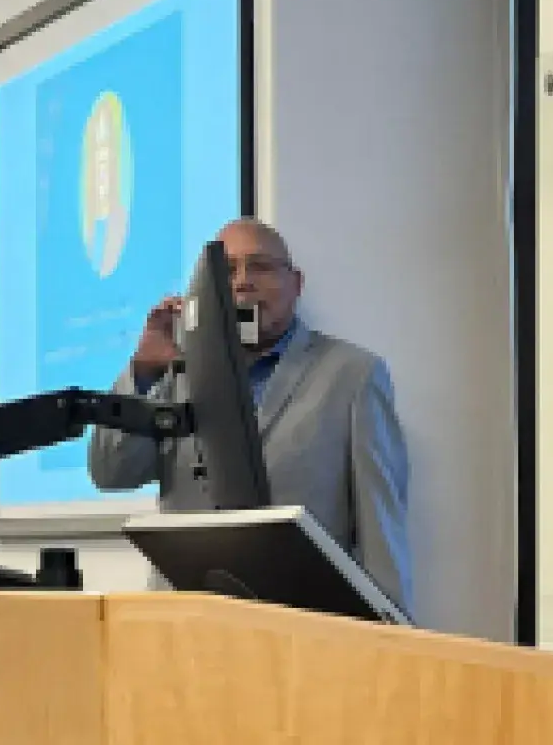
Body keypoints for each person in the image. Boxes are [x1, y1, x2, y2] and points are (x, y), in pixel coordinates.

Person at [89, 217, 414, 612]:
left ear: (296, 283)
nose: (243, 282)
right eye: (227, 271)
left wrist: (389, 630)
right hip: (184, 622)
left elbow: (381, 530)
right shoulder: (177, 375)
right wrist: (143, 372)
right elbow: (110, 472)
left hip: (299, 624)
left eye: (260, 267)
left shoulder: (352, 376)